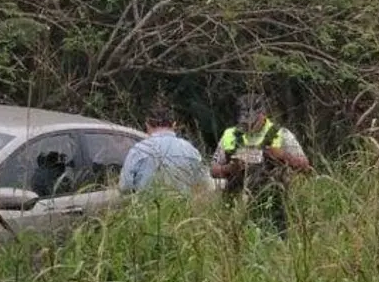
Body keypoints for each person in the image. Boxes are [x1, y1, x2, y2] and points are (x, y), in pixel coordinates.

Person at [210, 93, 310, 238]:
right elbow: (213, 170)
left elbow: (305, 166)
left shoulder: (281, 134)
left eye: (252, 122)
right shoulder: (230, 135)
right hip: (236, 206)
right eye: (244, 122)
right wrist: (230, 169)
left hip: (274, 205)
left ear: (263, 115)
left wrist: (282, 156)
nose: (248, 126)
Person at [119, 100, 211, 194]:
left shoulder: (139, 150)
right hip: (184, 202)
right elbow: (205, 184)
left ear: (147, 124)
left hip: (147, 202)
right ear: (174, 125)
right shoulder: (190, 151)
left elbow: (125, 187)